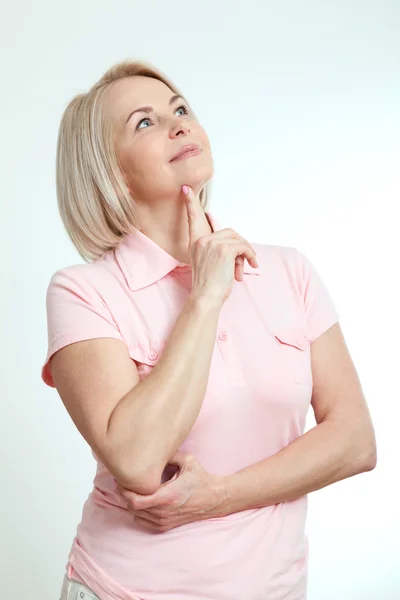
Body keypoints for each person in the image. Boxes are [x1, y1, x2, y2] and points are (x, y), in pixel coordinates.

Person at [42, 59, 376, 600]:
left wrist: (220, 495)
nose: (179, 124)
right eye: (144, 123)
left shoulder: (287, 271)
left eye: (181, 109)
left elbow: (355, 440)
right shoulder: (83, 291)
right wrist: (206, 297)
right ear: (108, 171)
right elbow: (137, 461)